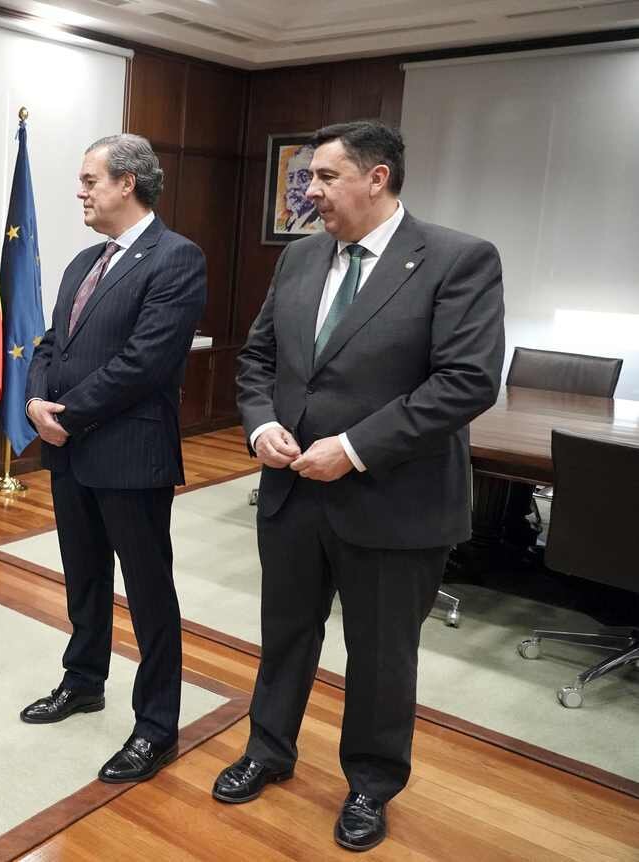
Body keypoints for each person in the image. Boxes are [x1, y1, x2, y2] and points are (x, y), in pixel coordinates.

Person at [216, 120, 505, 852]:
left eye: (324, 177)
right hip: (290, 493)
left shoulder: (456, 260)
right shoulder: (301, 260)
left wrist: (353, 447)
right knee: (285, 636)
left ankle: (372, 786)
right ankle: (267, 750)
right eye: (309, 178)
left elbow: (466, 382)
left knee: (380, 656)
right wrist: (260, 428)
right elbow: (259, 361)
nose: (308, 192)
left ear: (377, 178)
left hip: (393, 501)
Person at [20, 133, 206, 784]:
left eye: (90, 179)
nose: (81, 190)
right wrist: (37, 399)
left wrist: (65, 416)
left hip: (129, 454)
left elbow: (144, 364)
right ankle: (83, 680)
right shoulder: (81, 264)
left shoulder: (176, 259)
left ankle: (156, 725)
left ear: (129, 184)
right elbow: (50, 345)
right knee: (85, 577)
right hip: (72, 453)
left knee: (149, 593)